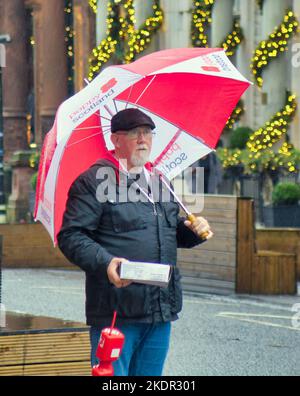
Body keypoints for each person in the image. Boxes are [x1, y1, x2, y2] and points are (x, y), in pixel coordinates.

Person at [57, 108, 213, 376]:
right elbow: (71, 236)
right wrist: (107, 263)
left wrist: (193, 231)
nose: (143, 139)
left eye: (148, 133)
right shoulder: (92, 182)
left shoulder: (159, 181)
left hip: (160, 311)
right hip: (118, 311)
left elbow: (169, 232)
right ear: (116, 140)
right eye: (134, 133)